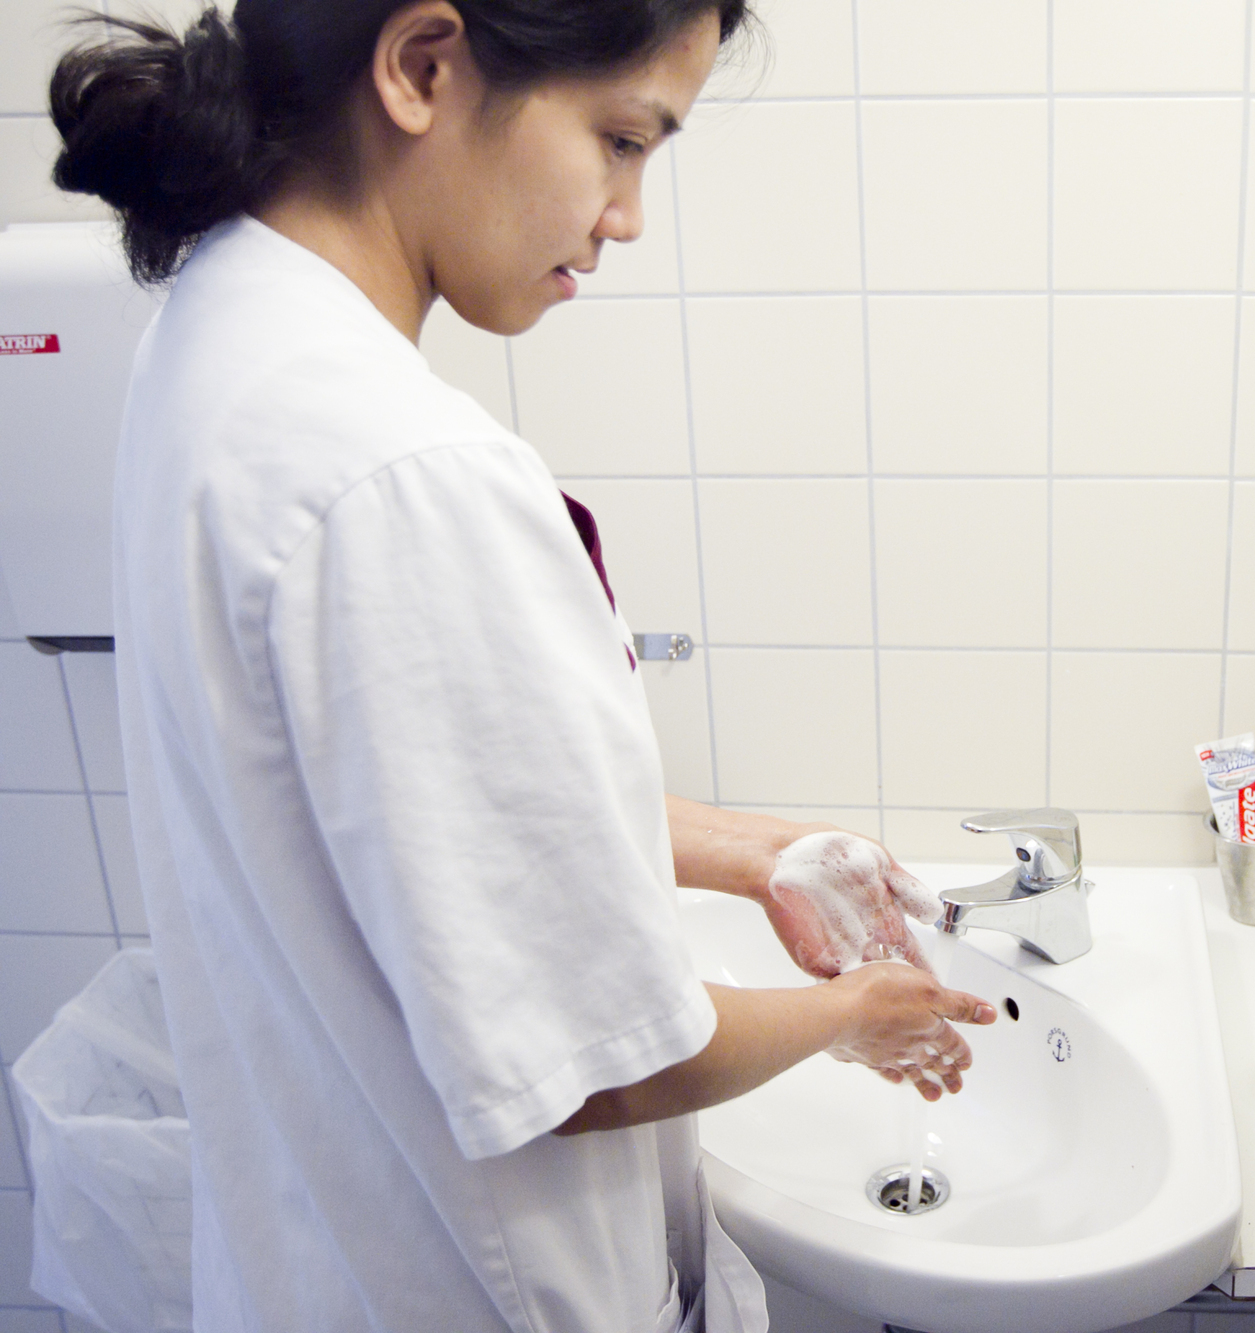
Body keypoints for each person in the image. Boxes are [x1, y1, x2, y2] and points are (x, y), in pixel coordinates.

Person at [47, 2, 996, 1329]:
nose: (626, 218)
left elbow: (413, 812)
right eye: (621, 139)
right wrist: (853, 1012)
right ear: (422, 68)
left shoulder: (217, 341)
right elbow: (592, 1065)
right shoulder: (407, 474)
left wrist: (752, 850)